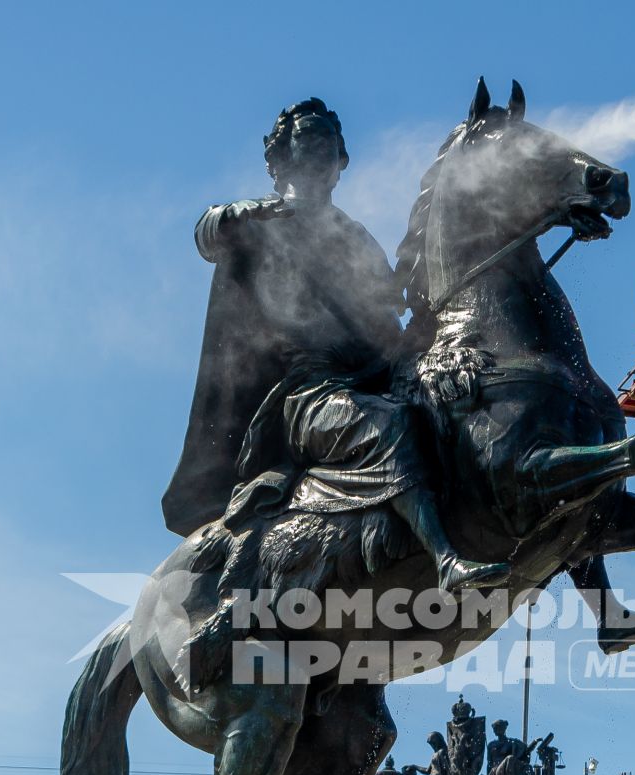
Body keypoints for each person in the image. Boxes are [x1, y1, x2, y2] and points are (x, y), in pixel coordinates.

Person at [163, 99, 507, 595]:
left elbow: (387, 314)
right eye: (309, 137)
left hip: (373, 377)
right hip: (308, 397)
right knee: (385, 426)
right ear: (280, 157)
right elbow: (208, 234)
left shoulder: (355, 237)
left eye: (330, 141)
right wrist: (226, 215)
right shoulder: (259, 221)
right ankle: (447, 560)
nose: (322, 147)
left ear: (340, 161)